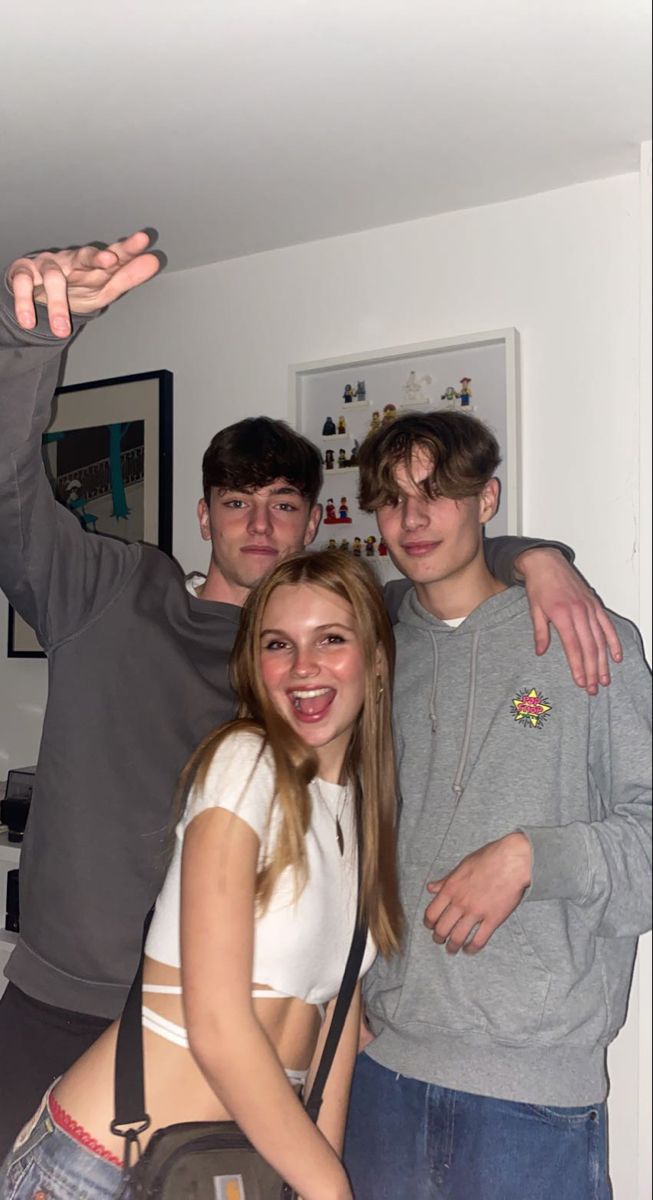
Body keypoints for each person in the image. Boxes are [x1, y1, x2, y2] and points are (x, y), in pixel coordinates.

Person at [0, 232, 620, 1151]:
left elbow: (444, 567)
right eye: (236, 501)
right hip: (65, 1006)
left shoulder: (343, 644)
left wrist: (529, 559)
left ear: (311, 520)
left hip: (244, 1038)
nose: (258, 522)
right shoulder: (110, 595)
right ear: (203, 513)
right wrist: (29, 346)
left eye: (282, 502)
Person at [0, 549, 403, 1199]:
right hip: (103, 1169)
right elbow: (217, 1025)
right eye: (278, 644)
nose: (303, 667)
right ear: (254, 664)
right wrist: (330, 1187)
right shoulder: (244, 764)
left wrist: (314, 1179)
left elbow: (335, 1038)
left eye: (330, 639)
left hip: (218, 1174)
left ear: (377, 660)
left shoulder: (359, 813)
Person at [344, 410, 652, 1200]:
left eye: (436, 493)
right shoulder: (368, 652)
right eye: (390, 499)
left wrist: (530, 857)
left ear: (488, 500)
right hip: (379, 1075)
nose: (411, 520)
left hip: (532, 1098)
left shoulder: (590, 637)